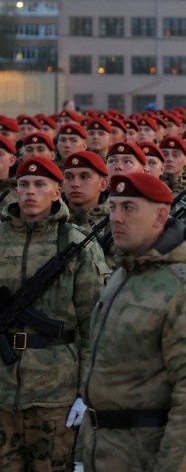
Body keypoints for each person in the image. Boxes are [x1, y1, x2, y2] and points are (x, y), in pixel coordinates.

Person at [79, 173, 186, 471]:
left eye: (129, 208)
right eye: (113, 208)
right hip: (106, 452)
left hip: (147, 455)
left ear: (160, 216)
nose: (116, 218)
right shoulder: (124, 274)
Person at [0, 156, 108, 470]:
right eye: (23, 184)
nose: (30, 191)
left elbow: (93, 324)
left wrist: (86, 391)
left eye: (39, 184)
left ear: (57, 191)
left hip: (55, 390)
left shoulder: (75, 244)